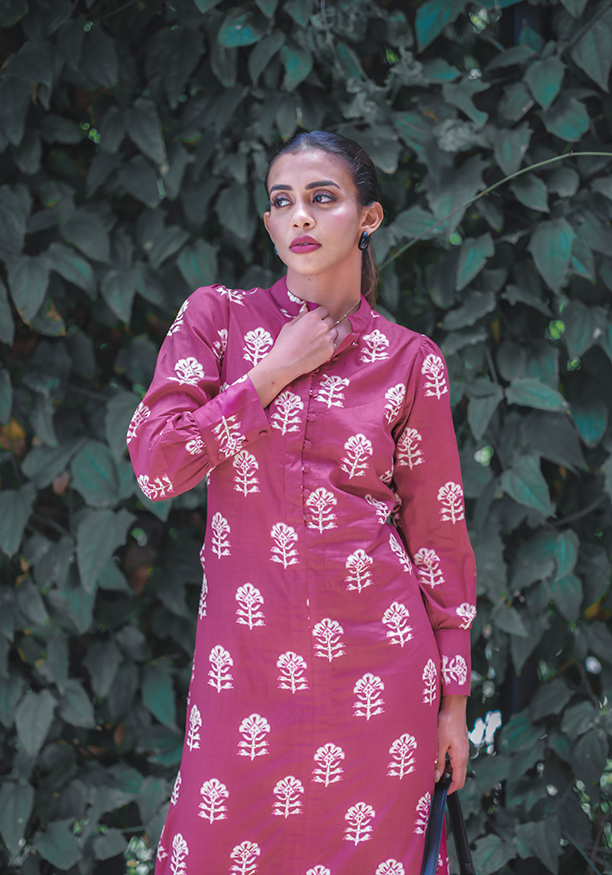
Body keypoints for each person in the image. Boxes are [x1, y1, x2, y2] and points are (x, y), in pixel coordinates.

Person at [127, 130, 476, 875]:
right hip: (243, 672)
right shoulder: (218, 320)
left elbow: (438, 541)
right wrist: (269, 375)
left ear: (369, 217)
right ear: (267, 222)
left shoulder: (410, 361)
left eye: (323, 198)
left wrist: (453, 703)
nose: (301, 217)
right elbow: (157, 465)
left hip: (379, 675)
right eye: (283, 201)